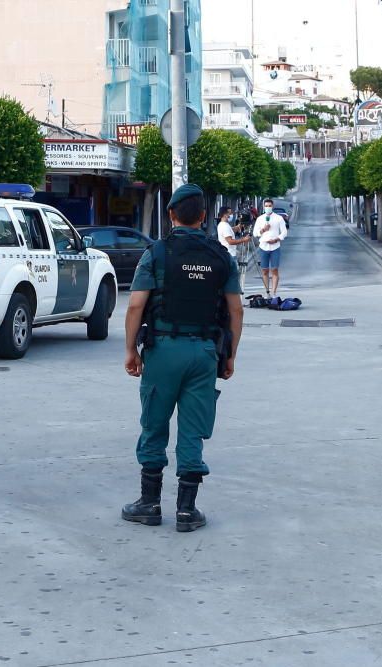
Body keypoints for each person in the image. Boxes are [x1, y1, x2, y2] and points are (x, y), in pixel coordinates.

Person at [121, 184, 244, 532]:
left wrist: (131, 350)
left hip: (163, 350)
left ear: (171, 215)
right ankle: (187, 511)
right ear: (204, 216)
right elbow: (236, 309)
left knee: (154, 424)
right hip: (204, 351)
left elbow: (135, 305)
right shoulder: (221, 256)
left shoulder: (156, 253)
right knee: (192, 431)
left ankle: (149, 504)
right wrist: (230, 355)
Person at [252, 198, 288, 296]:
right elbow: (255, 233)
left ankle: (274, 292)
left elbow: (284, 232)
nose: (268, 207)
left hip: (275, 247)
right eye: (266, 206)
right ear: (264, 207)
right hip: (263, 247)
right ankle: (267, 291)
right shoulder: (260, 219)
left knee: (274, 269)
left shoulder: (278, 218)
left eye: (269, 206)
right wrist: (263, 229)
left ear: (272, 206)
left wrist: (276, 239)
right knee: (264, 270)